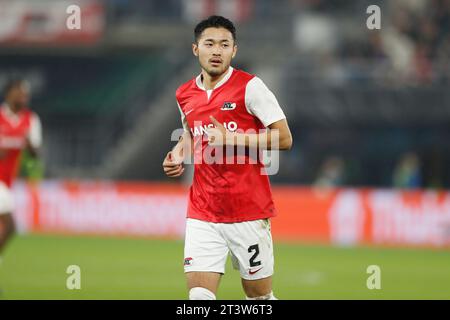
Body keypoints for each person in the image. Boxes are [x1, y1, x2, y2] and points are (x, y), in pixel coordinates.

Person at [162, 15, 292, 300]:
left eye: (224, 44)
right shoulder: (184, 93)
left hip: (248, 211)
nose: (217, 51)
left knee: (258, 298)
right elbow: (190, 131)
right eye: (209, 44)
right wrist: (177, 153)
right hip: (203, 211)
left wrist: (232, 138)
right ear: (196, 48)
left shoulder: (251, 88)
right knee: (198, 297)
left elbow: (284, 138)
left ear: (234, 50)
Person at [0, 79, 42, 263]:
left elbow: (35, 155)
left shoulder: (30, 120)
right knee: (10, 225)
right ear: (9, 93)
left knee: (9, 227)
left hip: (7, 182)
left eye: (26, 93)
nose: (24, 96)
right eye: (20, 92)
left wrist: (29, 144)